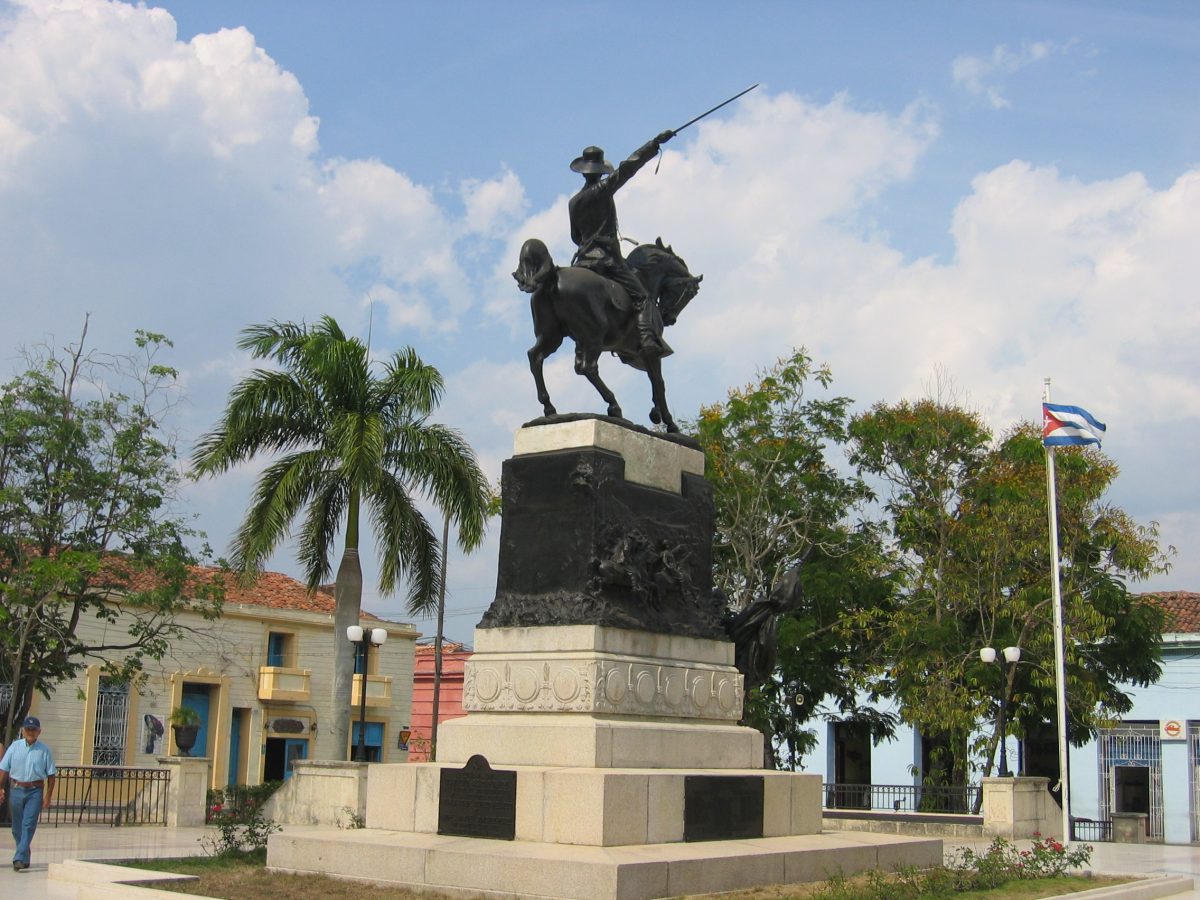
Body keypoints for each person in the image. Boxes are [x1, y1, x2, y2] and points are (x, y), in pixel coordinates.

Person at [568, 129, 675, 354]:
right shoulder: (603, 190)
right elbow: (629, 167)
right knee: (643, 297)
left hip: (582, 262)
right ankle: (647, 339)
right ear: (600, 171)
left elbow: (576, 237)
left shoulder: (574, 202)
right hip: (607, 261)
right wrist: (654, 144)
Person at [0, 716, 56, 872]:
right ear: (23, 730)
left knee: (28, 824)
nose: (31, 732)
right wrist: (0, 788)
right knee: (17, 828)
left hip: (34, 791)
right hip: (16, 789)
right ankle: (24, 853)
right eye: (28, 729)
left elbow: (51, 776)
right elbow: (4, 769)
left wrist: (48, 797)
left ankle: (19, 857)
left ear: (39, 731)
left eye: (34, 729)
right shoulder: (14, 747)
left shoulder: (44, 750)